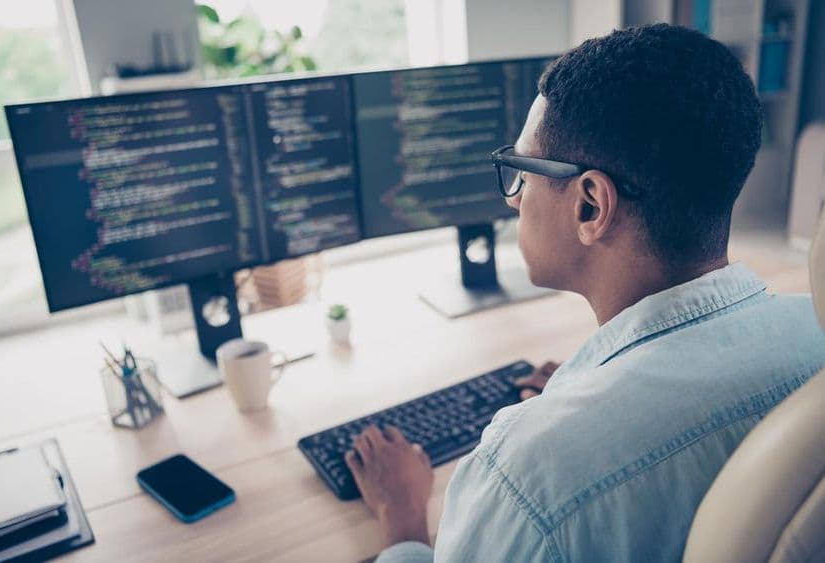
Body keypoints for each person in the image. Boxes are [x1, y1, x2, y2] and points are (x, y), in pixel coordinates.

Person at [344, 23, 825, 562]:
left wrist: (403, 518)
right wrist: (592, 397)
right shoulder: (818, 335)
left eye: (520, 171)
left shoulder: (528, 478)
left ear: (590, 205)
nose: (512, 201)